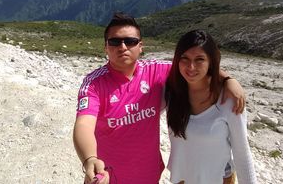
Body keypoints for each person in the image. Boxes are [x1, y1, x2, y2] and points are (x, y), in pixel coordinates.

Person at [73, 13, 245, 184]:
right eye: (115, 41)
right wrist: (89, 159)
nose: (123, 47)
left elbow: (191, 67)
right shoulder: (94, 84)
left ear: (141, 46)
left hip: (149, 175)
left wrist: (228, 79)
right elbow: (84, 124)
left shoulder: (155, 71)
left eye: (130, 41)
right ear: (106, 47)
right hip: (109, 176)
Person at [165, 30, 257, 184]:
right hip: (182, 177)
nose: (191, 66)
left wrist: (229, 79)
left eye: (199, 59)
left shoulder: (228, 99)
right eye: (184, 58)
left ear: (211, 62)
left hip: (218, 178)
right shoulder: (171, 91)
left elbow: (241, 152)